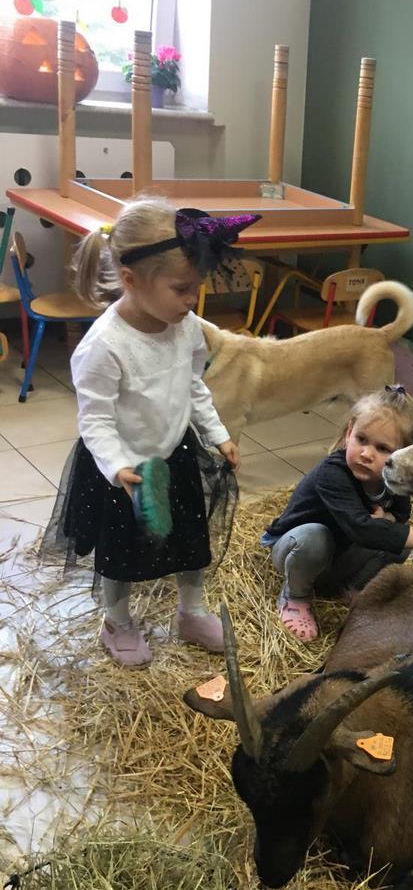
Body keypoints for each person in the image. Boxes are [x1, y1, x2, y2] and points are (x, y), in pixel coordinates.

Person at [41, 197, 257, 667]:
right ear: (131, 279)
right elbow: (95, 419)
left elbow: (194, 386)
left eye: (196, 288)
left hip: (175, 455)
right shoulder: (104, 347)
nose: (192, 300)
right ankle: (117, 621)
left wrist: (217, 433)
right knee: (122, 553)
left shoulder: (186, 327)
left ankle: (191, 612)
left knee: (190, 541)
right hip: (125, 469)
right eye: (181, 289)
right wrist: (117, 466)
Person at [261, 386, 413, 641]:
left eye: (382, 448)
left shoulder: (393, 479)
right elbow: (361, 529)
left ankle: (353, 586)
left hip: (340, 556)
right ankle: (295, 596)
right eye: (361, 439)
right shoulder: (333, 473)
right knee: (314, 537)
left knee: (398, 543)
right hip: (297, 550)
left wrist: (388, 520)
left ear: (403, 455)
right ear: (349, 431)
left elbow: (401, 515)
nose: (366, 454)